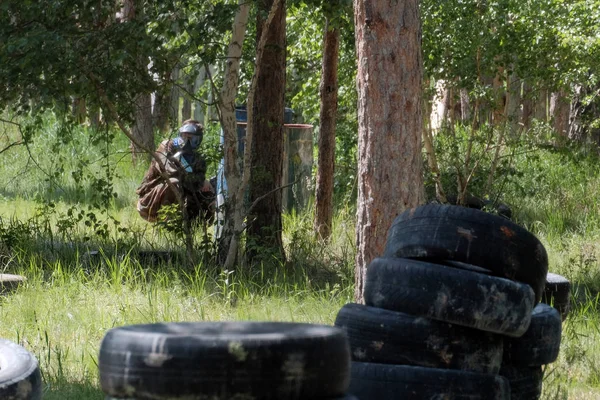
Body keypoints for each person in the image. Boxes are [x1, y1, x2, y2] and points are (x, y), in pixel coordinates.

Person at [136, 120, 215, 224]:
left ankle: (193, 227)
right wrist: (201, 180)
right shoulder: (166, 147)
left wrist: (205, 184)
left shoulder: (198, 160)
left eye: (191, 138)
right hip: (150, 201)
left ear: (198, 140)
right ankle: (166, 223)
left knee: (208, 192)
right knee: (173, 183)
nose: (186, 141)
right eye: (184, 137)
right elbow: (172, 172)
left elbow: (195, 184)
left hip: (183, 198)